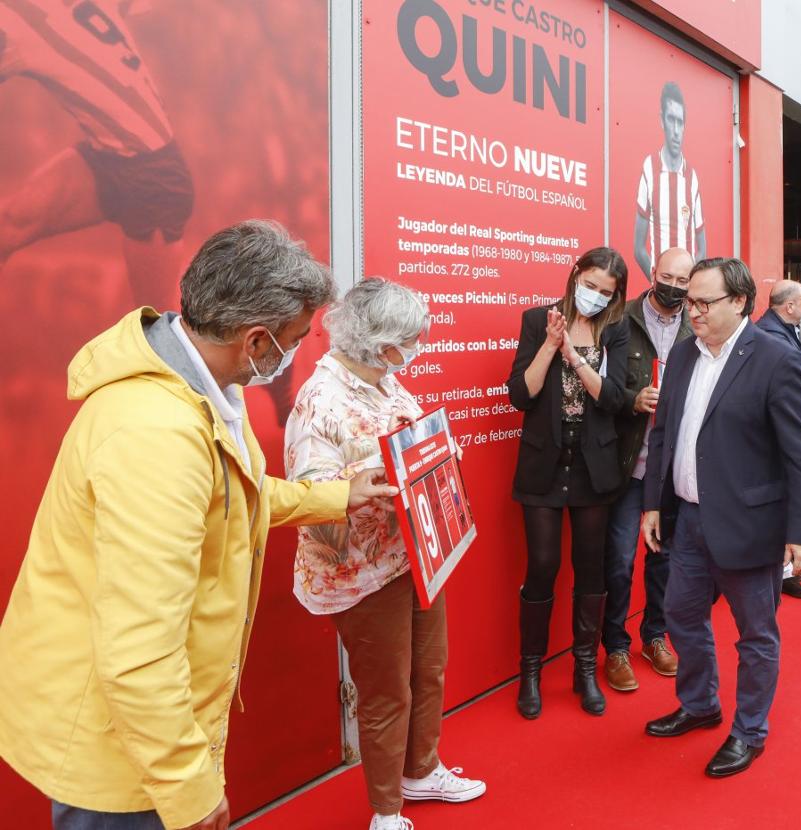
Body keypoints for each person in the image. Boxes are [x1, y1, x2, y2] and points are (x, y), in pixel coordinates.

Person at [0, 220, 397, 830]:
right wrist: (188, 787)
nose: (298, 353)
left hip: (141, 735)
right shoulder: (156, 435)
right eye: (296, 339)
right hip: (122, 755)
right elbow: (137, 652)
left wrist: (339, 495)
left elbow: (234, 495)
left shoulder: (202, 388)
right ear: (257, 342)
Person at [285, 279, 485, 830]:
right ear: (377, 341)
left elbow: (409, 439)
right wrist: (363, 481)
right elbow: (307, 495)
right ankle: (386, 811)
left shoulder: (387, 381)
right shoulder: (320, 399)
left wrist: (436, 456)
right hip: (360, 575)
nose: (418, 346)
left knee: (429, 670)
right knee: (386, 693)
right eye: (411, 338)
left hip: (414, 554)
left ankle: (421, 772)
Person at [639, 257, 801, 778]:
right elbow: (663, 435)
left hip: (748, 526)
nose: (690, 310)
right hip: (688, 523)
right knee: (679, 615)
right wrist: (654, 502)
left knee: (755, 634)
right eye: (688, 300)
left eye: (702, 302)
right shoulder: (681, 355)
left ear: (739, 302)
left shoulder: (773, 358)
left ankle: (749, 732)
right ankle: (700, 705)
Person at [0, 0, 193, 309]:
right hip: (104, 159)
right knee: (8, 224)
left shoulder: (17, 18)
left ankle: (244, 349)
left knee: (153, 328)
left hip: (156, 180)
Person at [507, 248, 630, 719]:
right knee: (542, 565)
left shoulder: (615, 330)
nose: (596, 297)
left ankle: (584, 669)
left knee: (591, 568)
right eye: (592, 284)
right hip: (543, 465)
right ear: (576, 274)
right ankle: (530, 671)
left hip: (592, 467)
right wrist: (548, 345)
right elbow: (521, 394)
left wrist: (574, 356)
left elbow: (614, 398)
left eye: (606, 292)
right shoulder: (538, 319)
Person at [602, 247, 694, 693]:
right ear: (653, 272)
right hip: (627, 464)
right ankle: (615, 645)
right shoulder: (621, 319)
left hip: (671, 470)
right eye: (668, 276)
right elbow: (600, 388)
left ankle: (655, 637)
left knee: (665, 562)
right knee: (619, 562)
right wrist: (632, 400)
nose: (675, 286)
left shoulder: (697, 327)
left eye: (684, 279)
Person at [758, 280, 801, 600]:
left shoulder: (786, 330)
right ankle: (781, 572)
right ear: (789, 307)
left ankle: (784, 571)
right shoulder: (773, 336)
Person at [633, 82, 705, 279]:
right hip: (658, 289)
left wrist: (687, 284)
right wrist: (657, 281)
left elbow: (701, 249)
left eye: (680, 122)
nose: (675, 130)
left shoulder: (692, 176)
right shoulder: (650, 167)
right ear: (661, 120)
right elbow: (638, 247)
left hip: (687, 294)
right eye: (671, 119)